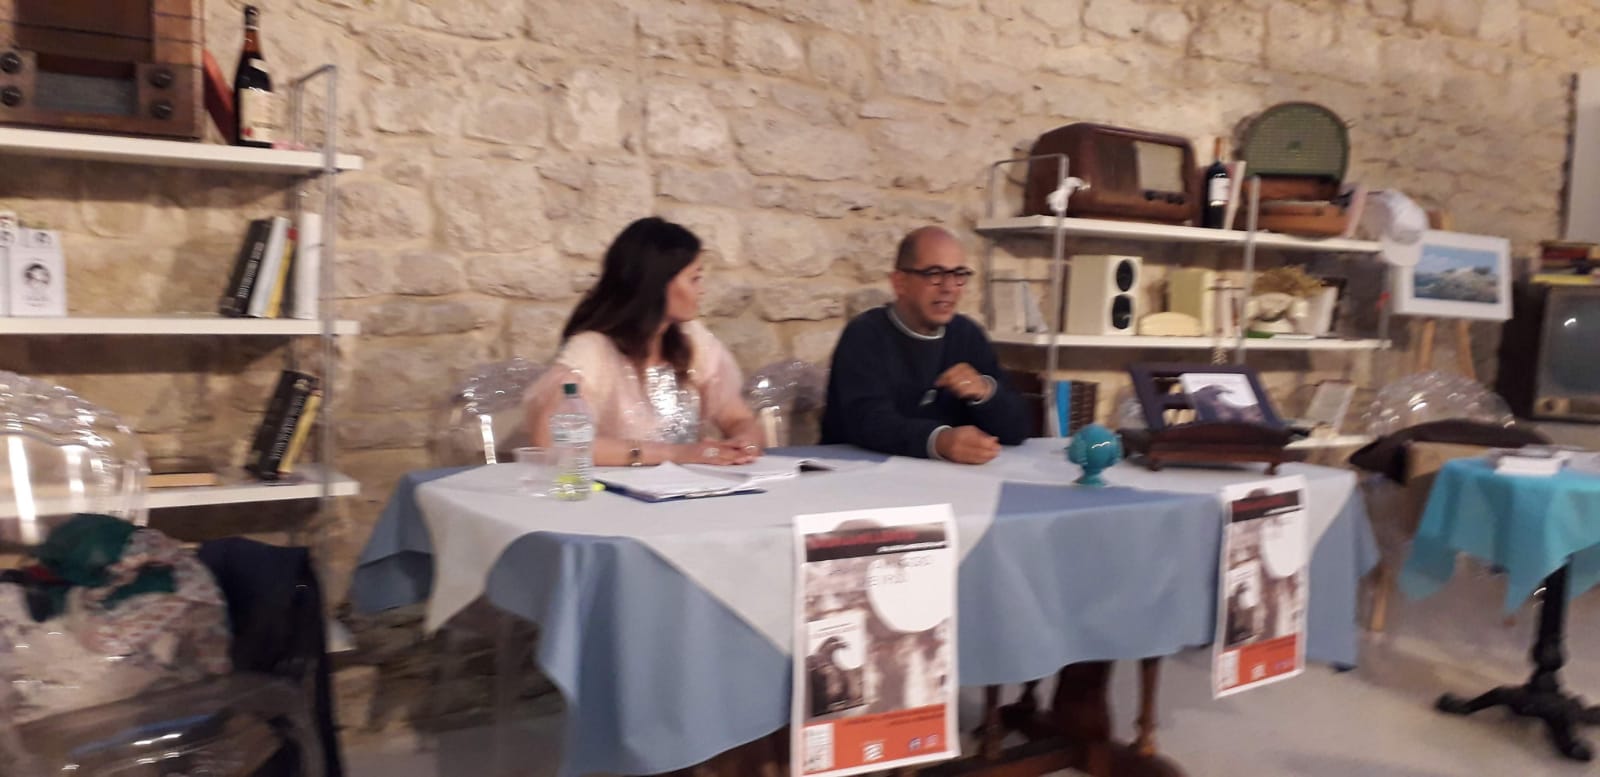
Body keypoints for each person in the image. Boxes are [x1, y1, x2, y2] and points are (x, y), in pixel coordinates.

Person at [523, 217, 762, 467]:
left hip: (689, 485)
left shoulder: (692, 339)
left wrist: (744, 440)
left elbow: (737, 417)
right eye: (694, 279)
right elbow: (553, 440)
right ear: (658, 284)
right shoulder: (591, 350)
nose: (701, 290)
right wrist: (675, 454)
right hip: (612, 489)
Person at [821, 226, 1029, 464]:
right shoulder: (865, 335)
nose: (949, 287)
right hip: (858, 476)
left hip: (947, 478)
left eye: (958, 274)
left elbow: (1018, 429)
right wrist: (939, 441)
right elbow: (868, 422)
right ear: (900, 282)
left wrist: (986, 393)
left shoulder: (967, 334)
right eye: (934, 274)